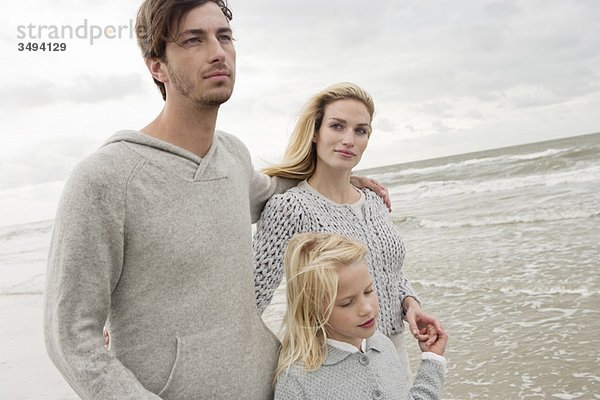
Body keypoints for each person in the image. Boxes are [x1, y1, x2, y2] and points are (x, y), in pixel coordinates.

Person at [43, 2, 387, 399]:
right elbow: (68, 336)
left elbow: (276, 195)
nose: (218, 51)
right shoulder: (106, 178)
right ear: (157, 65)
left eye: (224, 36)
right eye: (194, 39)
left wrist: (341, 177)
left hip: (269, 385)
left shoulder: (232, 155)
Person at [253, 82, 442, 378]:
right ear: (315, 133)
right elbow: (252, 299)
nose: (349, 139)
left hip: (393, 355)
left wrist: (410, 304)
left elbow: (389, 271)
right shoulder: (290, 208)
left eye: (360, 130)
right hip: (334, 366)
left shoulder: (374, 200)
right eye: (337, 126)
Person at [274, 232, 448, 400]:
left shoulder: (382, 345)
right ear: (312, 310)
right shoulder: (296, 382)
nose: (366, 308)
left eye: (368, 291)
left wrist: (432, 358)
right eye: (347, 302)